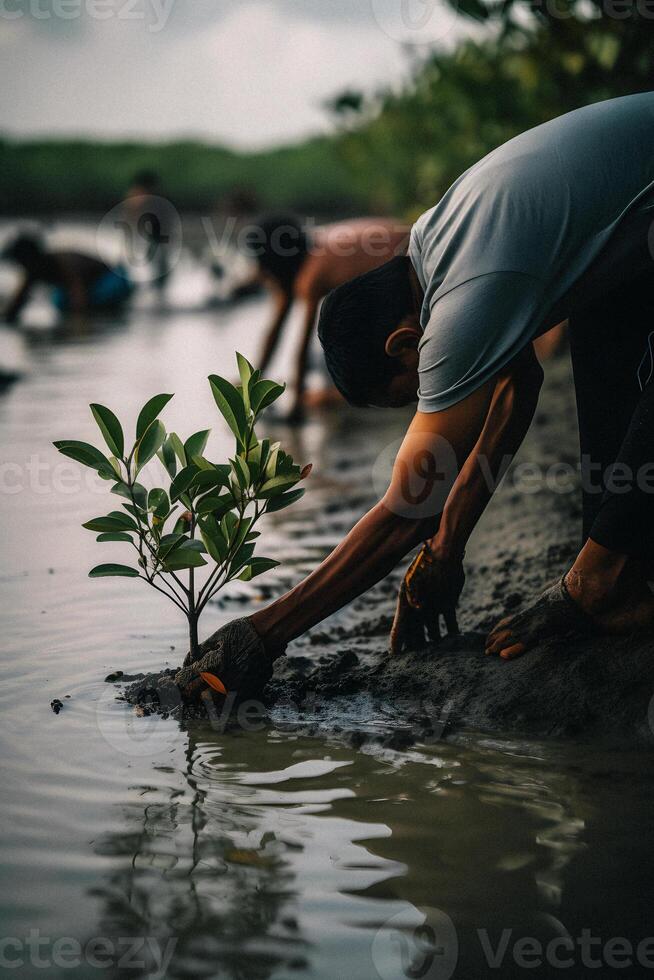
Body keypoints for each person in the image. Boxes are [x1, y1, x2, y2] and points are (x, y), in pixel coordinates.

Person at [179, 93, 654, 698]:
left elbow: (408, 507)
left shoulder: (458, 304)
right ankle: (617, 569)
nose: (428, 404)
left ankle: (601, 581)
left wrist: (265, 633)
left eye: (415, 392)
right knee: (601, 318)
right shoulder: (438, 243)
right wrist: (446, 549)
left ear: (407, 344)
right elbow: (519, 383)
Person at [247, 214, 409, 421]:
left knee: (333, 356)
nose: (260, 273)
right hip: (404, 248)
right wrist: (252, 382)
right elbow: (275, 327)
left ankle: (342, 397)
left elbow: (302, 345)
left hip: (406, 264)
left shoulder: (312, 273)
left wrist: (296, 404)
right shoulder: (311, 247)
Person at [1, 234, 133, 322]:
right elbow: (17, 303)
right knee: (60, 301)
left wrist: (78, 323)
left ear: (27, 258)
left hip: (111, 279)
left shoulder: (62, 264)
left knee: (70, 304)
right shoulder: (33, 271)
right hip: (86, 287)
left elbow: (78, 297)